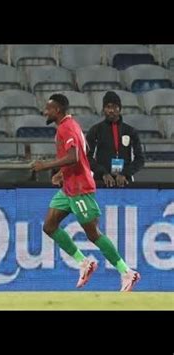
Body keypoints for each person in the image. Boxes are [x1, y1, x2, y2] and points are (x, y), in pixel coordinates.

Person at [31, 93, 140, 291]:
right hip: (69, 187)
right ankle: (84, 263)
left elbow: (73, 156)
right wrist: (63, 175)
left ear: (57, 110)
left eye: (48, 108)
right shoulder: (70, 126)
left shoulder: (67, 127)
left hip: (80, 188)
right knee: (49, 226)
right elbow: (85, 149)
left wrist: (45, 166)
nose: (45, 112)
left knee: (93, 234)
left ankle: (127, 272)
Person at [86, 91, 145, 187]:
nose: (111, 110)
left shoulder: (130, 131)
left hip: (125, 181)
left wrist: (125, 173)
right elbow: (86, 157)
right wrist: (103, 173)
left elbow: (140, 159)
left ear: (120, 109)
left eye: (114, 107)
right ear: (103, 109)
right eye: (108, 107)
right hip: (100, 182)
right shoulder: (95, 131)